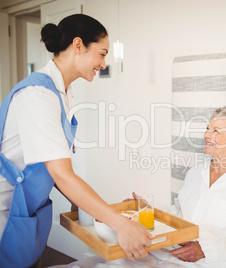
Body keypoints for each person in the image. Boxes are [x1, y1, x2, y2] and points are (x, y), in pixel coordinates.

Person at [0, 14, 152, 268]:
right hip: (6, 207)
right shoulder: (37, 96)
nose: (104, 64)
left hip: (27, 207)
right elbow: (61, 173)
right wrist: (121, 224)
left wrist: (78, 198)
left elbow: (49, 163)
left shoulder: (63, 94)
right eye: (102, 54)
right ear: (78, 45)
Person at [169, 105, 226, 263]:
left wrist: (203, 251)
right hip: (174, 253)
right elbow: (178, 210)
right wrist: (146, 211)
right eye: (208, 128)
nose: (206, 135)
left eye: (216, 131)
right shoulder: (195, 172)